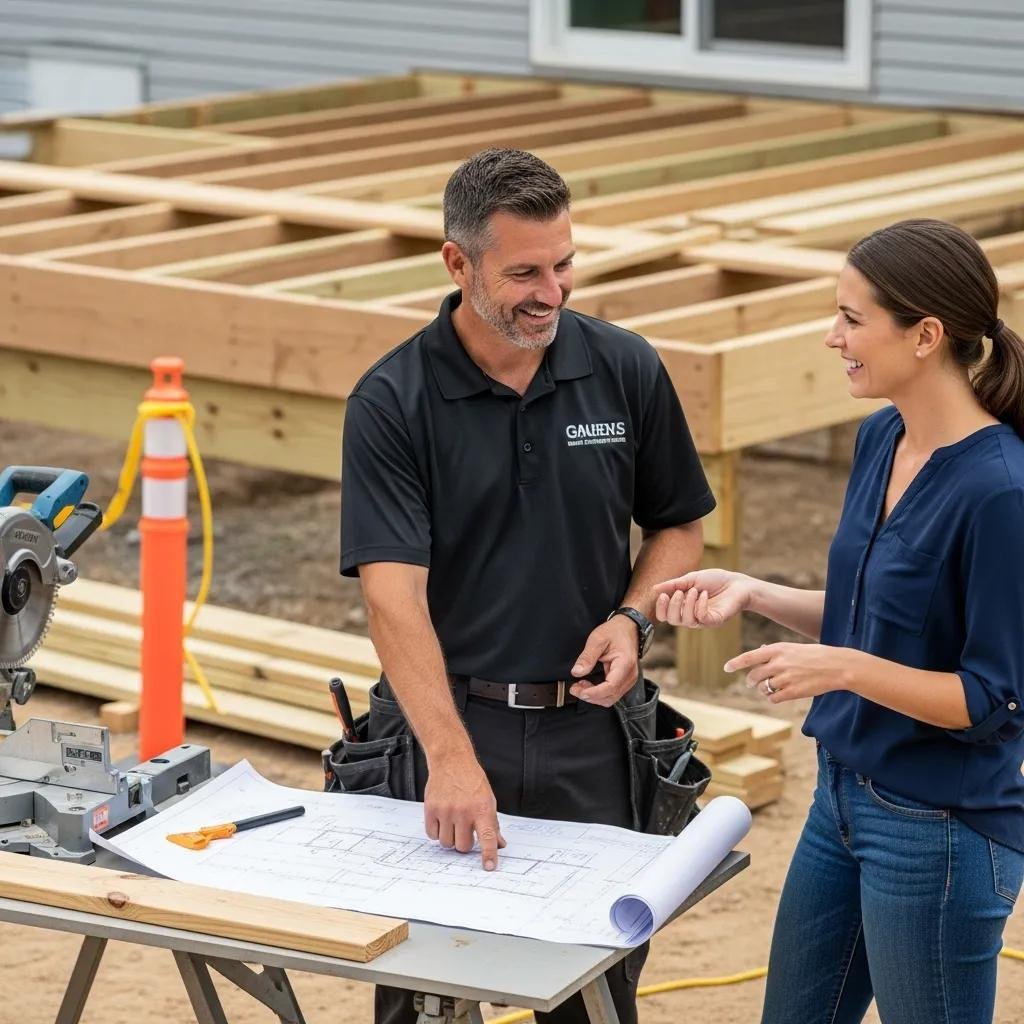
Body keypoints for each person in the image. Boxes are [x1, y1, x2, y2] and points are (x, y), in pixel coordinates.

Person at [339, 147, 715, 1024]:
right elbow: (392, 601)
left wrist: (631, 618)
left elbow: (679, 525)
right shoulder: (393, 401)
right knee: (425, 991)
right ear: (457, 263)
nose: (553, 291)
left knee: (592, 992)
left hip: (592, 738)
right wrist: (451, 759)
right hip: (448, 725)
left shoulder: (624, 368)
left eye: (565, 264)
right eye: (524, 273)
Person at [654, 218, 1024, 1024]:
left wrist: (843, 669)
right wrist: (756, 594)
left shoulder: (1001, 494)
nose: (833, 337)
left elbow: (991, 698)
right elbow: (875, 615)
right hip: (841, 801)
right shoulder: (881, 437)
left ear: (926, 335)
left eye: (853, 319)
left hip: (941, 832)